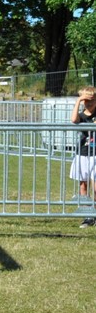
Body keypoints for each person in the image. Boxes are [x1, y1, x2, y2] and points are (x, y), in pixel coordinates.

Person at [69, 86, 96, 228]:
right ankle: (88, 215)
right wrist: (79, 100)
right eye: (86, 101)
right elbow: (74, 120)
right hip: (83, 153)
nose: (88, 103)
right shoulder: (82, 115)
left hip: (95, 155)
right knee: (83, 185)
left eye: (91, 100)